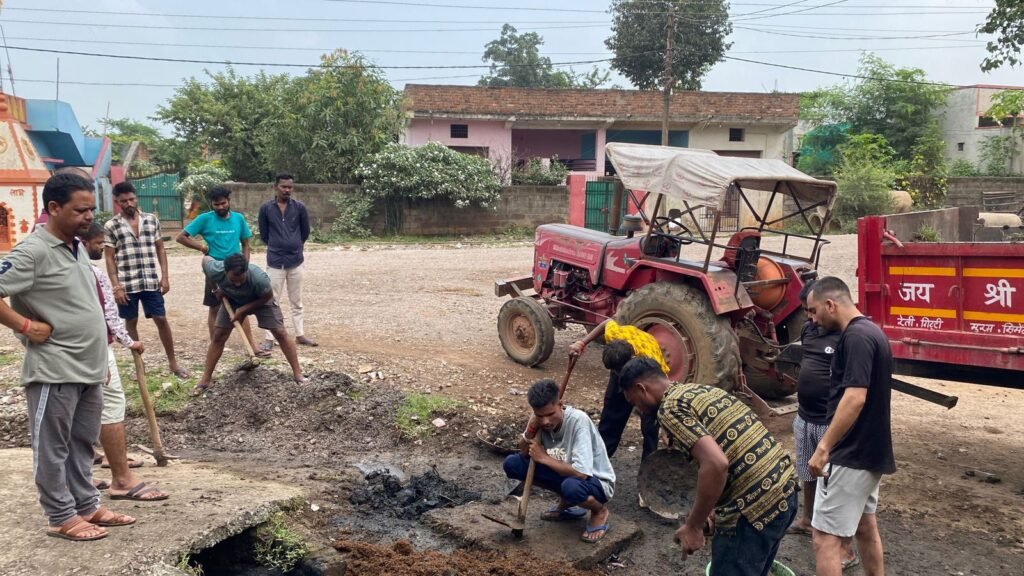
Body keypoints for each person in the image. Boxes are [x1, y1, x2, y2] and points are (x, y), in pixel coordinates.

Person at [0, 173, 135, 541]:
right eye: (80, 210)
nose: (88, 216)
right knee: (52, 446)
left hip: (88, 368)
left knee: (82, 443)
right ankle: (61, 516)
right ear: (54, 208)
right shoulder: (33, 251)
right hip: (54, 369)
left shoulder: (75, 247)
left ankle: (86, 505)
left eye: (91, 209)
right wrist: (25, 326)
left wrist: (99, 361)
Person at [618, 357, 797, 575]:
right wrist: (710, 509)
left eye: (634, 402)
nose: (638, 409)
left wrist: (694, 526)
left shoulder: (670, 409)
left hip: (754, 509)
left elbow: (716, 464)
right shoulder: (700, 391)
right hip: (785, 491)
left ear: (641, 388)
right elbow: (728, 451)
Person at [805, 277, 894, 576]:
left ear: (830, 304)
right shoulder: (873, 332)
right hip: (870, 452)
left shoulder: (855, 337)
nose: (812, 319)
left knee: (824, 539)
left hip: (850, 454)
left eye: (814, 310)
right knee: (865, 527)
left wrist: (824, 447)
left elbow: (855, 397)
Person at [82, 223, 170, 502]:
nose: (102, 247)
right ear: (84, 242)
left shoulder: (76, 268)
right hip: (91, 347)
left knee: (81, 408)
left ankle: (86, 473)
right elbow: (108, 313)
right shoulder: (87, 272)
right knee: (106, 404)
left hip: (88, 346)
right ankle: (118, 478)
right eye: (98, 243)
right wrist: (128, 341)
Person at [787, 281, 858, 570]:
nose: (810, 317)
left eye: (813, 311)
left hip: (830, 423)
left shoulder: (847, 336)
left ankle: (845, 547)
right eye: (807, 311)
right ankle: (807, 519)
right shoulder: (809, 331)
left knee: (838, 482)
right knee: (807, 471)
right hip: (804, 417)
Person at [502, 379, 615, 544]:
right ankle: (566, 501)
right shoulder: (537, 419)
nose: (545, 421)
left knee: (572, 487)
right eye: (540, 416)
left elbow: (581, 473)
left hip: (595, 481)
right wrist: (530, 430)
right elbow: (523, 452)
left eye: (550, 414)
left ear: (560, 405)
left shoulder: (578, 421)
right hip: (564, 475)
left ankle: (599, 511)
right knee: (513, 464)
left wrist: (543, 458)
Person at [104, 181, 189, 379]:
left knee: (161, 318)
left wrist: (165, 276)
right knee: (131, 321)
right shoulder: (111, 225)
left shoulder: (151, 220)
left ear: (136, 198)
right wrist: (116, 286)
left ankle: (173, 364)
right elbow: (109, 257)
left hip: (151, 281)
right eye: (124, 201)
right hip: (127, 283)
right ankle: (139, 365)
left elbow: (160, 248)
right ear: (117, 202)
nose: (128, 203)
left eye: (131, 199)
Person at [192, 253, 307, 396]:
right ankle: (205, 379)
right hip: (233, 299)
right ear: (225, 272)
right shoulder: (215, 269)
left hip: (261, 300)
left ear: (246, 271)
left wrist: (243, 310)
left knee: (280, 332)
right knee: (219, 336)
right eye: (233, 280)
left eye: (241, 280)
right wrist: (215, 289)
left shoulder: (259, 279)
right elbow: (205, 260)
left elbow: (267, 296)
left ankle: (298, 374)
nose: (237, 284)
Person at [176, 186, 264, 355]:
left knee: (241, 307)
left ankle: (252, 346)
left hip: (236, 270)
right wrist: (202, 248)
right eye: (216, 204)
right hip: (214, 269)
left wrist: (245, 266)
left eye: (223, 203)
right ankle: (215, 345)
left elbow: (246, 244)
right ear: (212, 204)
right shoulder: (204, 219)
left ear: (229, 201)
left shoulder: (238, 218)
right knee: (215, 307)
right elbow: (181, 237)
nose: (220, 207)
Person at [569, 318, 668, 462]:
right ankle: (598, 459)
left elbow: (663, 392)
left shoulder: (651, 361)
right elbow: (606, 322)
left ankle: (648, 464)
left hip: (642, 373)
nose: (619, 374)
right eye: (615, 371)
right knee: (612, 414)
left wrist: (664, 425)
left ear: (632, 359)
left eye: (620, 371)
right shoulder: (614, 336)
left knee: (649, 424)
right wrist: (582, 343)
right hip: (624, 361)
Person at [257, 172, 316, 353]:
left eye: (290, 187)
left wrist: (294, 244)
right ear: (276, 187)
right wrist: (278, 245)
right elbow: (264, 234)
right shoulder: (266, 209)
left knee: (296, 300)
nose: (287, 190)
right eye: (283, 186)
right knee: (271, 300)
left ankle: (300, 334)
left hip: (295, 261)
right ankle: (269, 338)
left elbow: (305, 232)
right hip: (275, 261)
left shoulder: (299, 208)